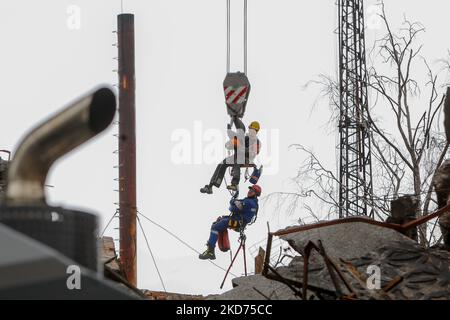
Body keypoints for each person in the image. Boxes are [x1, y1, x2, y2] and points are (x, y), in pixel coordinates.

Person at [199, 184, 262, 260]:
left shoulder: (249, 202)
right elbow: (235, 206)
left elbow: (232, 208)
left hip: (237, 222)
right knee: (219, 221)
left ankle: (210, 251)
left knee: (215, 227)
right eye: (250, 190)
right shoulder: (253, 203)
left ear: (256, 194)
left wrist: (233, 201)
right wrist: (234, 202)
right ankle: (213, 250)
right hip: (239, 222)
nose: (249, 192)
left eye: (252, 191)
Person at [200, 120, 261, 194]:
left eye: (253, 130)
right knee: (222, 163)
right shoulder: (244, 138)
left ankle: (234, 184)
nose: (251, 132)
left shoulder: (256, 141)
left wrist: (241, 149)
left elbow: (253, 152)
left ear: (256, 131)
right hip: (237, 156)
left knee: (237, 161)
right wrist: (230, 139)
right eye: (251, 130)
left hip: (246, 158)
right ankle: (211, 186)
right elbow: (235, 141)